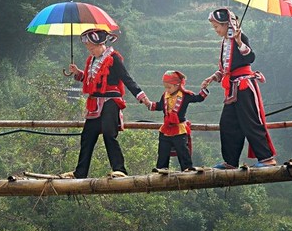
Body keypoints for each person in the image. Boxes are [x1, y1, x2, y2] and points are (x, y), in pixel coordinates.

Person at [62, 28, 151, 179]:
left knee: (109, 134)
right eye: (89, 48)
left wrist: (142, 96)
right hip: (94, 103)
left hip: (110, 101)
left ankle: (119, 169)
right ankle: (80, 172)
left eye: (93, 47)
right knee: (87, 136)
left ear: (101, 43)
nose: (91, 50)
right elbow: (91, 81)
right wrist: (78, 73)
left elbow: (126, 78)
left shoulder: (113, 58)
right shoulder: (92, 60)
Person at [200, 7, 277, 169]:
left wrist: (240, 41)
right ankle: (231, 162)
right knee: (227, 123)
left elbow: (250, 57)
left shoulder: (240, 38)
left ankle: (267, 158)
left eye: (217, 27)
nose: (215, 30)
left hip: (244, 86)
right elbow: (226, 69)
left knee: (250, 122)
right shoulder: (225, 43)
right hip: (232, 88)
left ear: (227, 24)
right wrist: (213, 77)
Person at [148, 70, 209, 173]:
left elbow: (198, 98)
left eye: (169, 87)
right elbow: (160, 106)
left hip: (179, 128)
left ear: (177, 85)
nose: (167, 89)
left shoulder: (185, 95)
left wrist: (204, 89)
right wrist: (149, 104)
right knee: (163, 149)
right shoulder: (164, 96)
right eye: (165, 87)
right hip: (166, 128)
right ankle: (161, 168)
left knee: (182, 149)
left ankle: (187, 168)